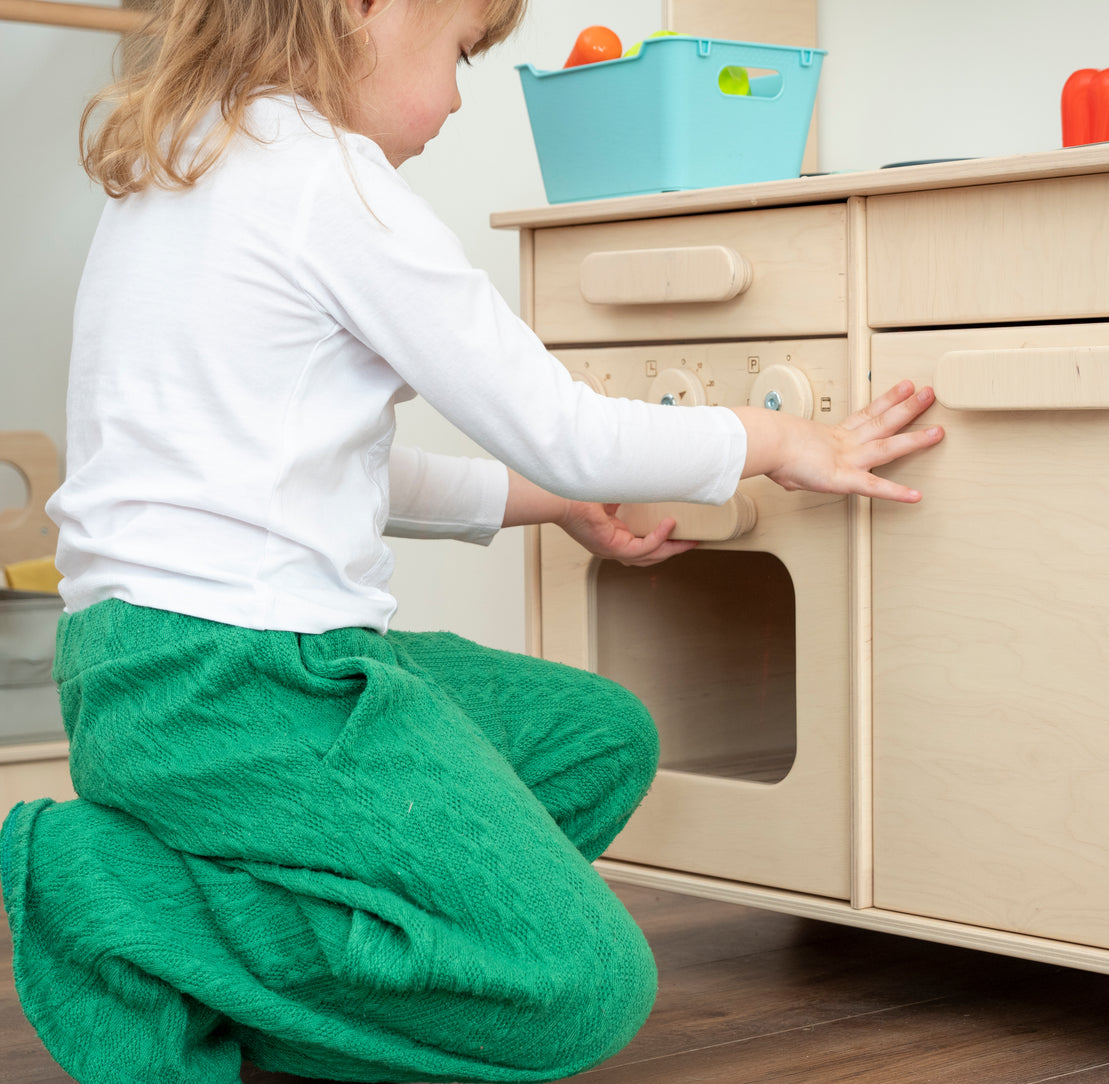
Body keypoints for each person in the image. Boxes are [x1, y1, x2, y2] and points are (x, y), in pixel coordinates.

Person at [0, 0, 944, 1080]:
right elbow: (569, 429)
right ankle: (105, 892)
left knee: (596, 739)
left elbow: (309, 466)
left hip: (148, 673)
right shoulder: (330, 186)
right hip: (248, 680)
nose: (456, 97)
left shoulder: (187, 169)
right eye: (460, 53)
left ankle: (246, 974)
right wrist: (781, 436)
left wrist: (550, 506)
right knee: (584, 990)